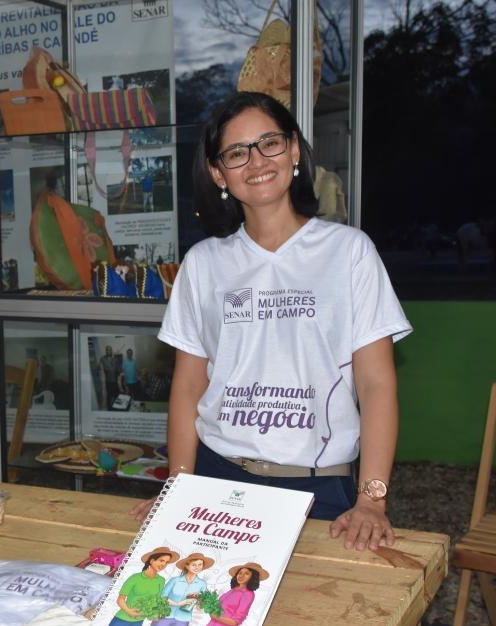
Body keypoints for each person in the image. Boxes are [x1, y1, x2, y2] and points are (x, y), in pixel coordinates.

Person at [131, 92, 411, 552]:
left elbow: (377, 384)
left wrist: (372, 500)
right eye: (237, 153)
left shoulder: (349, 252)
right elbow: (187, 387)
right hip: (215, 479)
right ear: (218, 173)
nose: (256, 161)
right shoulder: (203, 263)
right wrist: (177, 485)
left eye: (270, 143)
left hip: (317, 490)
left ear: (295, 150)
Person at [195, 563, 268, 626]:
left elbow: (236, 621)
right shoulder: (232, 590)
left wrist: (215, 617)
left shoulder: (248, 594)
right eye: (240, 572)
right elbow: (217, 607)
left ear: (253, 577)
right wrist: (204, 601)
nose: (241, 575)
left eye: (246, 573)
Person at [106, 546, 179, 626]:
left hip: (139, 621)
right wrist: (129, 611)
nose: (163, 564)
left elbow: (157, 600)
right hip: (122, 618)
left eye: (166, 562)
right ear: (152, 561)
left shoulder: (161, 580)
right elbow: (120, 599)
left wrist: (155, 613)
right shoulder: (135, 578)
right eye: (161, 560)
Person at [147, 552, 213, 626]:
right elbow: (162, 598)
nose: (197, 567)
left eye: (200, 565)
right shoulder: (175, 580)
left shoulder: (202, 584)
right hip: (164, 616)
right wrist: (179, 604)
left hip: (183, 620)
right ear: (187, 565)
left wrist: (199, 603)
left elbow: (203, 602)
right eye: (194, 564)